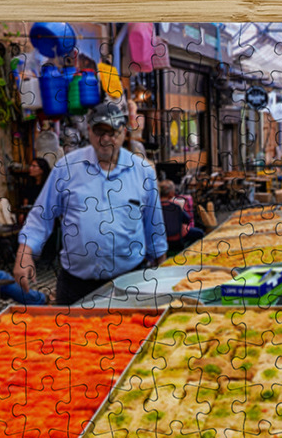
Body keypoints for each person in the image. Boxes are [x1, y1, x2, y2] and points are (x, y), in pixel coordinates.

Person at [14, 100, 167, 306]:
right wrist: (24, 254)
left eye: (112, 132)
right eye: (99, 132)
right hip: (75, 286)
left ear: (123, 132)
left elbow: (154, 226)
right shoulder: (67, 168)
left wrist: (161, 270)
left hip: (130, 282)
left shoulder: (142, 171)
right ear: (88, 131)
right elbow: (41, 216)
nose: (105, 139)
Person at [159, 179, 205, 257]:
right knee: (200, 233)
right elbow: (187, 219)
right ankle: (191, 253)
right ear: (171, 193)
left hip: (162, 237)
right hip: (178, 236)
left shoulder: (155, 206)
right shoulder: (175, 204)